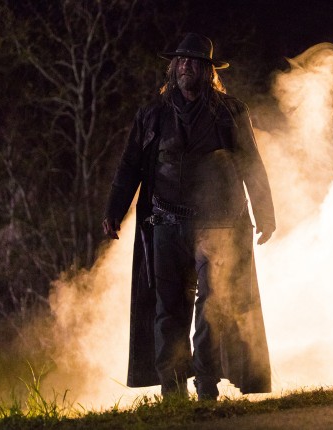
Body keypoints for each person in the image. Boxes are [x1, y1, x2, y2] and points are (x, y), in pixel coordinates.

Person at [102, 33, 276, 401]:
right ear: (173, 67)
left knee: (212, 306)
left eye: (194, 62)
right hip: (166, 224)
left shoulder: (230, 112)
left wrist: (265, 213)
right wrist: (114, 210)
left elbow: (251, 164)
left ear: (208, 71)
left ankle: (206, 384)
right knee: (168, 309)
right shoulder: (152, 114)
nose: (186, 67)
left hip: (218, 225)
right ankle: (173, 391)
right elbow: (130, 165)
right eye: (181, 61)